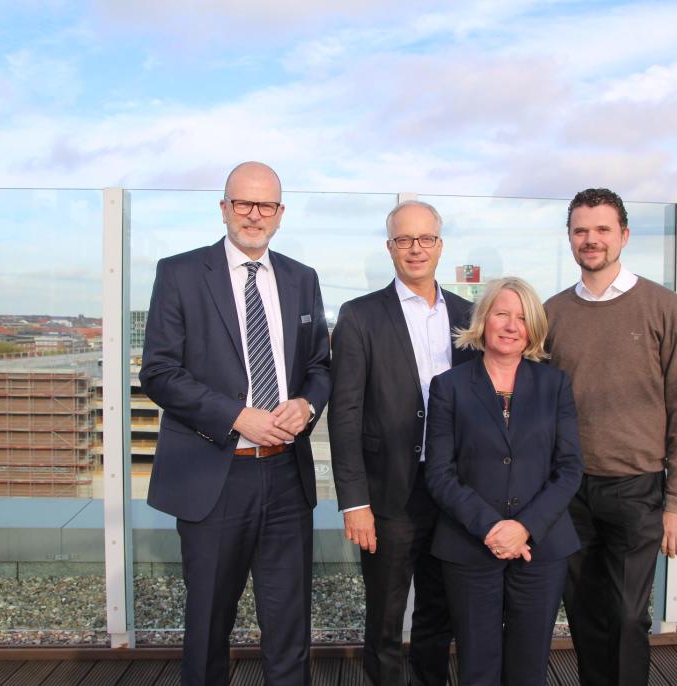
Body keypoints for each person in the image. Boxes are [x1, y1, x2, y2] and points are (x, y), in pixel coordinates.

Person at [140, 161, 331, 686]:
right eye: (242, 203)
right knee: (207, 626)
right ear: (223, 208)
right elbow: (158, 371)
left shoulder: (301, 278)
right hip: (214, 474)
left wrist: (306, 405)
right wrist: (236, 415)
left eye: (265, 204)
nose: (253, 214)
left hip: (286, 477)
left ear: (280, 214)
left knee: (290, 626)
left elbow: (320, 367)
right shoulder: (179, 273)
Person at [544, 188, 677, 686]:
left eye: (602, 230)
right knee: (585, 615)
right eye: (580, 231)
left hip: (637, 489)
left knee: (628, 615)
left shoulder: (661, 305)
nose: (590, 240)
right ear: (570, 239)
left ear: (624, 236)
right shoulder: (552, 312)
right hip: (570, 489)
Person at [328, 200, 474, 685]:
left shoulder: (468, 315)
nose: (416, 249)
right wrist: (355, 502)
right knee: (386, 619)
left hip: (453, 491)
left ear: (440, 245)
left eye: (426, 239)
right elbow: (344, 414)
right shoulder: (360, 316)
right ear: (390, 247)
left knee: (440, 611)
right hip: (389, 495)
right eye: (405, 240)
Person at [424, 277, 584, 686]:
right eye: (502, 314)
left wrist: (523, 528)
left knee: (530, 669)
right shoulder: (448, 387)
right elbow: (440, 473)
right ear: (483, 320)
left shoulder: (554, 385)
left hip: (541, 550)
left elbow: (568, 469)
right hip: (470, 547)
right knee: (477, 668)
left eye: (522, 317)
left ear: (533, 328)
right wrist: (492, 528)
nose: (511, 325)